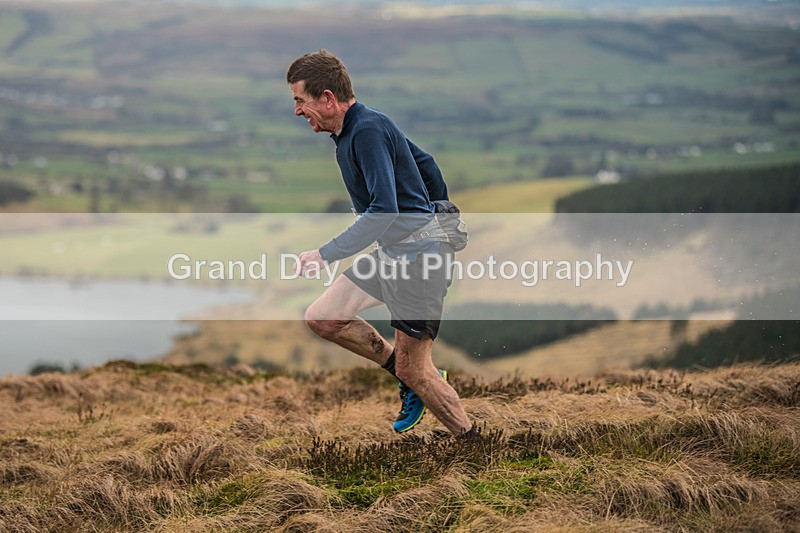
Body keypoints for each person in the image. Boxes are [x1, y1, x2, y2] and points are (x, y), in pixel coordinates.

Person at [286, 49, 479, 439]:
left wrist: (326, 254)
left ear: (327, 98)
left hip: (419, 261)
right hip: (395, 254)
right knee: (323, 317)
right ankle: (408, 377)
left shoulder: (368, 129)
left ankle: (472, 441)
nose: (297, 111)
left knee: (416, 369)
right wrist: (434, 211)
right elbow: (425, 163)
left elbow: (383, 211)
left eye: (300, 101)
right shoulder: (355, 130)